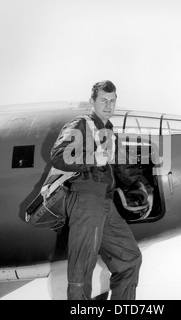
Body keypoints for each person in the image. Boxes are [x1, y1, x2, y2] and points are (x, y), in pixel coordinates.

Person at [50, 80, 147, 300]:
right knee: (82, 269)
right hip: (85, 198)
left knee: (129, 259)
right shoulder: (81, 124)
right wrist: (93, 158)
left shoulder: (109, 131)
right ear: (92, 101)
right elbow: (59, 156)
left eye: (112, 101)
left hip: (105, 202)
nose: (108, 105)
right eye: (103, 100)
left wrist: (143, 188)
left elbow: (124, 167)